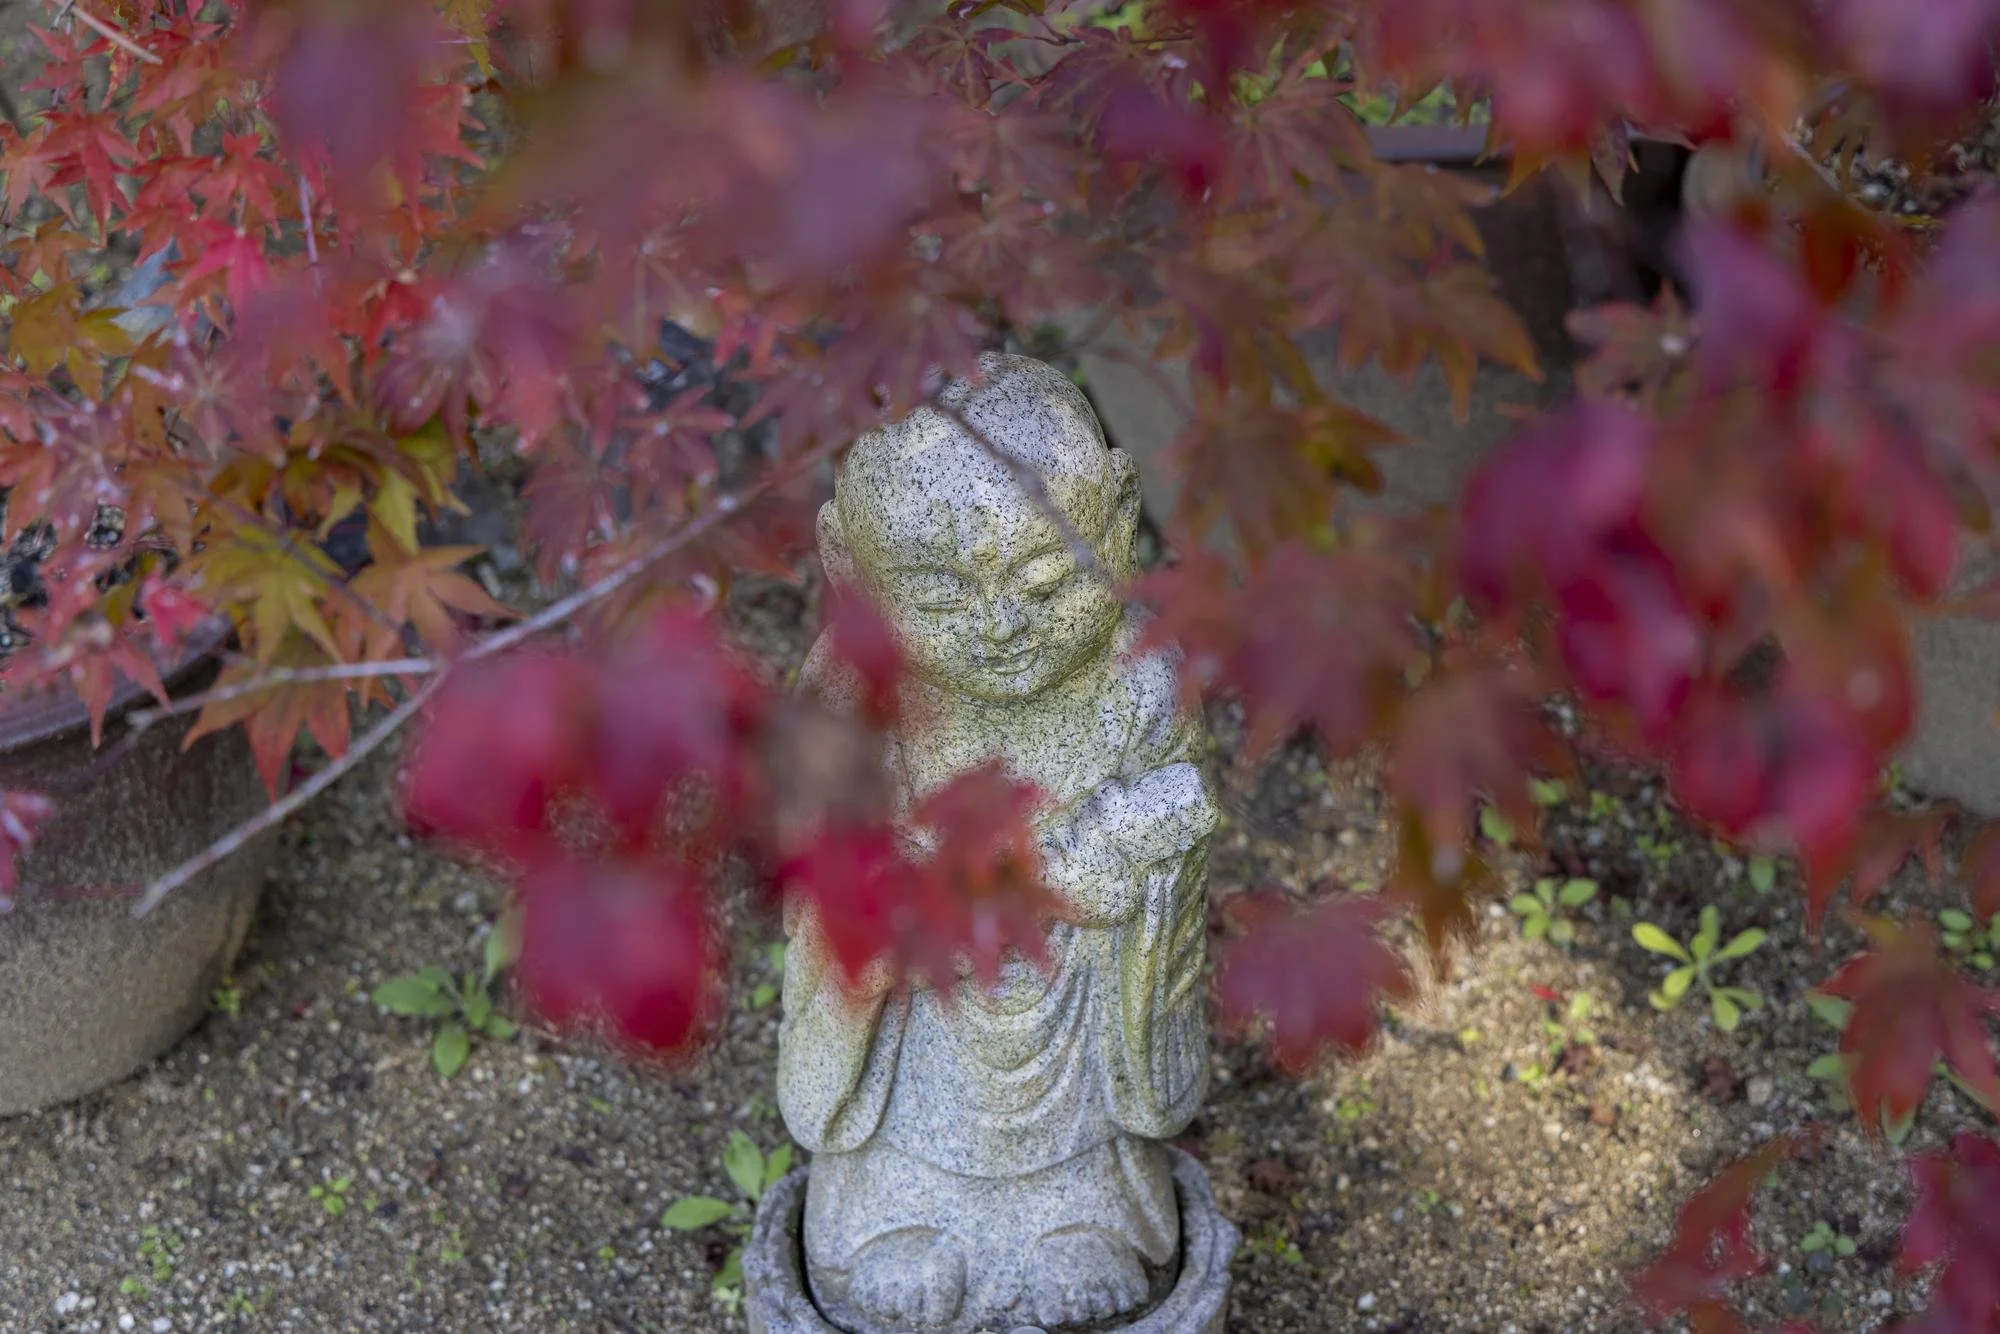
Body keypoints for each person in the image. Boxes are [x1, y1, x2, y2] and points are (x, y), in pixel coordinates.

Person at [778, 353, 1218, 1331]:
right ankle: (899, 1211)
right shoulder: (854, 710)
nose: (1004, 624)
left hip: (1076, 1089)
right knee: (883, 1233)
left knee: (1094, 1236)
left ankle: (1078, 1214)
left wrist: (1142, 873)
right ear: (849, 571)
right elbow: (847, 926)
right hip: (913, 1085)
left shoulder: (1138, 681)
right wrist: (1068, 868)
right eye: (939, 598)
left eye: (1047, 575)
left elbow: (1166, 866)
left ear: (1115, 517)